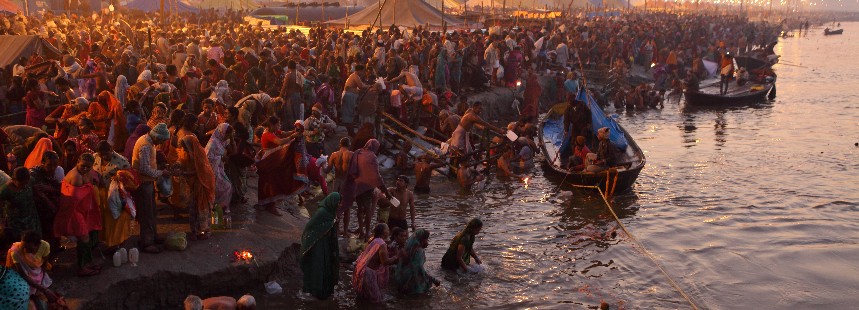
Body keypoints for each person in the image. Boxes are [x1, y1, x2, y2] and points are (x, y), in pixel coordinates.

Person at [54, 153, 103, 276]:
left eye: (88, 167)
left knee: (88, 234)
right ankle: (82, 267)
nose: (85, 169)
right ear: (77, 163)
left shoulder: (87, 172)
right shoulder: (76, 177)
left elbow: (94, 178)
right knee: (84, 237)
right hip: (74, 211)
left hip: (81, 209)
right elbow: (75, 198)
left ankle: (88, 262)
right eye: (83, 166)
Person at [131, 123, 173, 254]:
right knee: (146, 214)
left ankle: (153, 236)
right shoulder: (145, 145)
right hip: (143, 183)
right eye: (161, 140)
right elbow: (144, 169)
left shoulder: (149, 141)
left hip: (148, 182)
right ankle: (147, 242)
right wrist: (161, 173)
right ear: (157, 137)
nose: (161, 143)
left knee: (152, 212)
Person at [340, 139, 391, 239]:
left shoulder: (358, 152)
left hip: (357, 184)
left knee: (360, 208)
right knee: (367, 209)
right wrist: (385, 191)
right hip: (367, 186)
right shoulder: (372, 156)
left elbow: (353, 170)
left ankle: (361, 231)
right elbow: (376, 175)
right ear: (375, 147)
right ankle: (367, 232)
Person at [256, 116, 306, 216]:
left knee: (273, 182)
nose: (279, 126)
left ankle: (270, 204)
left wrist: (293, 131)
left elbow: (283, 133)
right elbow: (280, 141)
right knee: (269, 183)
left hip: (273, 160)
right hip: (269, 161)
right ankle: (269, 205)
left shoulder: (274, 131)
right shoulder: (267, 134)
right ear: (272, 125)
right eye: (278, 124)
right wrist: (293, 137)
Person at [300, 193, 341, 300]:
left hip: (325, 245)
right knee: (318, 267)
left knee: (326, 266)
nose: (339, 205)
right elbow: (309, 226)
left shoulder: (331, 212)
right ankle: (315, 290)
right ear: (332, 201)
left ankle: (325, 290)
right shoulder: (322, 212)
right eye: (338, 202)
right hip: (317, 245)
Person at [93, 141, 132, 249]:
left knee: (116, 218)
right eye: (101, 155)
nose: (104, 156)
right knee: (102, 218)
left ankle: (117, 242)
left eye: (106, 154)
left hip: (115, 194)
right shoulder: (95, 157)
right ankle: (104, 241)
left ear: (111, 150)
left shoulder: (122, 161)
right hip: (99, 193)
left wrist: (119, 178)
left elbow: (129, 179)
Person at [178, 135, 216, 240]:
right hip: (192, 186)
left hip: (202, 185)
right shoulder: (186, 154)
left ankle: (205, 230)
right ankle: (194, 231)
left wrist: (185, 172)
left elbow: (201, 171)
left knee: (203, 209)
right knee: (193, 209)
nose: (184, 149)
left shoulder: (199, 154)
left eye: (185, 147)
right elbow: (182, 163)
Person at [353, 223, 398, 303]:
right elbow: (384, 262)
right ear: (383, 232)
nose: (389, 231)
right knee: (375, 300)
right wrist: (395, 258)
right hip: (368, 273)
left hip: (362, 270)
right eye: (387, 229)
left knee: (365, 299)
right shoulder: (382, 244)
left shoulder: (373, 239)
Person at [5, 231, 52, 307]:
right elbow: (22, 274)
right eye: (23, 247)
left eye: (28, 248)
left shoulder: (45, 246)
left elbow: (44, 264)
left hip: (37, 272)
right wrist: (44, 289)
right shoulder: (15, 251)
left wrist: (43, 279)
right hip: (24, 276)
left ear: (38, 245)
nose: (25, 251)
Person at [0, 168, 41, 242]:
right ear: (14, 180)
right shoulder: (5, 190)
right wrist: (2, 224)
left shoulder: (30, 180)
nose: (25, 185)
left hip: (32, 220)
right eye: (21, 183)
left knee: (35, 243)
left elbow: (37, 191)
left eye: (26, 183)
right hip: (16, 223)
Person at [394, 229, 440, 294]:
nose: (427, 242)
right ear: (422, 239)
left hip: (404, 276)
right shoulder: (419, 251)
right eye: (426, 239)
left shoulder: (409, 248)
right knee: (419, 298)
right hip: (413, 279)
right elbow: (419, 269)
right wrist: (433, 280)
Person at [325, 137, 353, 234]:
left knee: (335, 207)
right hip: (346, 183)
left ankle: (335, 229)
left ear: (340, 145)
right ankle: (345, 231)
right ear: (349, 145)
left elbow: (327, 170)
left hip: (336, 182)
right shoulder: (351, 155)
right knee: (347, 208)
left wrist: (320, 164)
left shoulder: (334, 155)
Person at [205, 123, 233, 213]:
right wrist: (221, 158)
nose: (228, 136)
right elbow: (208, 158)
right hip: (212, 170)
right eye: (227, 134)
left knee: (228, 186)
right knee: (225, 186)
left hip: (219, 168)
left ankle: (220, 207)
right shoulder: (213, 142)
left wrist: (232, 139)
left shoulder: (223, 140)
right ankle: (216, 207)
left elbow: (233, 151)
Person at [342, 64, 367, 136]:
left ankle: (350, 132)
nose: (363, 73)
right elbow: (361, 86)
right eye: (363, 71)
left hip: (349, 96)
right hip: (349, 96)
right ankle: (351, 133)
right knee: (348, 115)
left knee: (348, 115)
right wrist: (369, 86)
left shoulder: (354, 76)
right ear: (360, 71)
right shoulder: (355, 76)